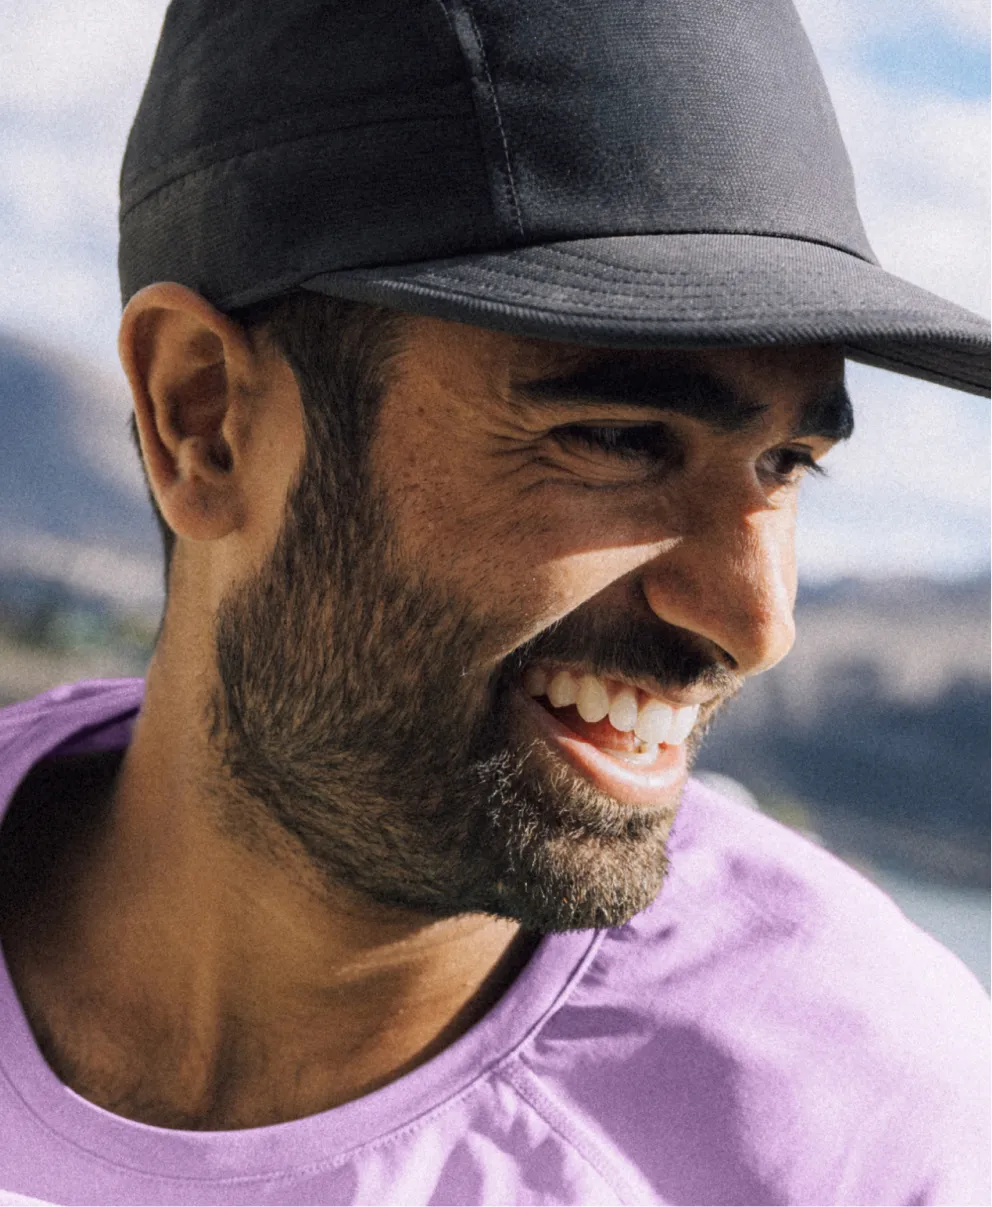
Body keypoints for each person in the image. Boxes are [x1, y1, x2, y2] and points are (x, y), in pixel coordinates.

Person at [0, 0, 988, 1202]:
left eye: (786, 465)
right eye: (618, 438)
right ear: (202, 417)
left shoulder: (867, 1124)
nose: (755, 617)